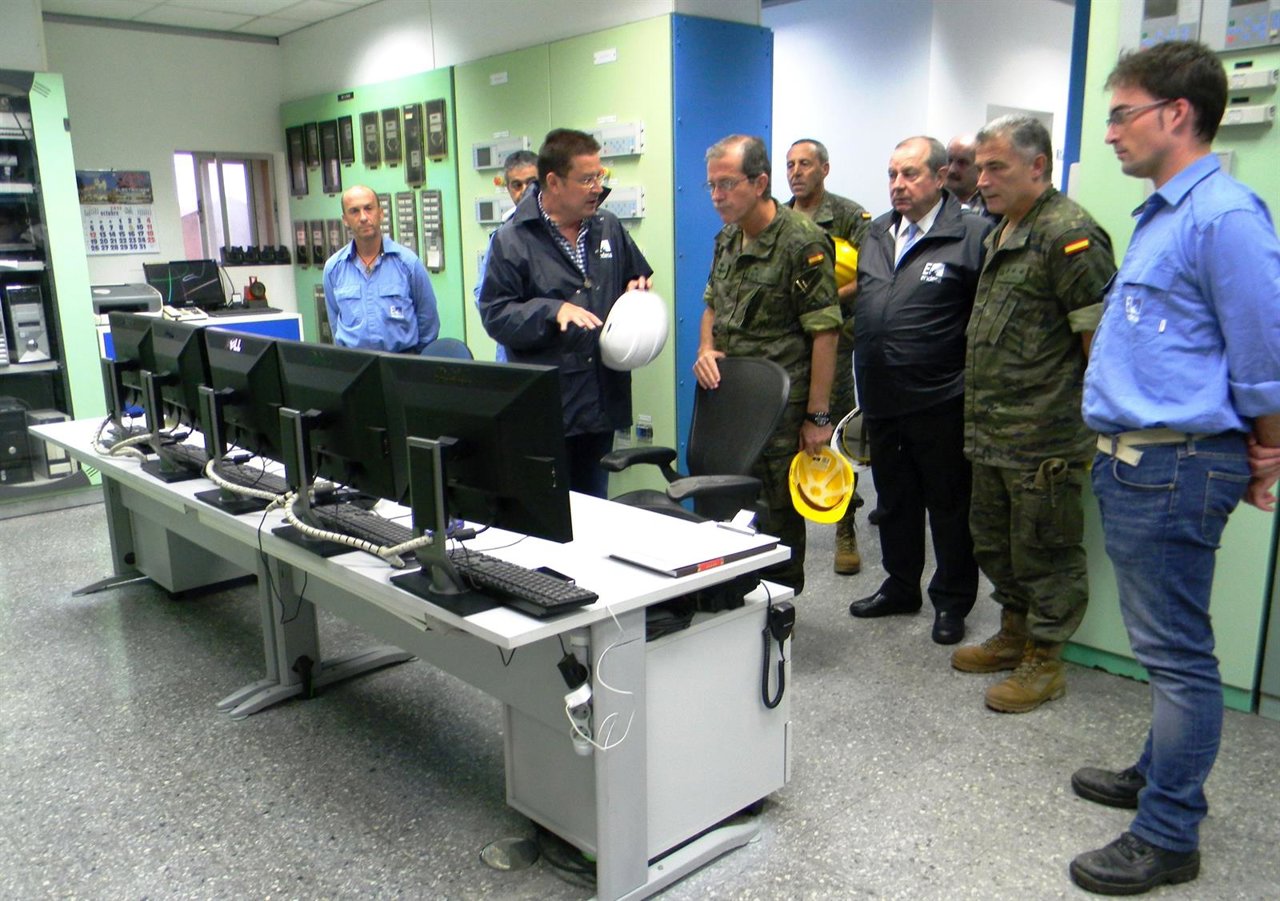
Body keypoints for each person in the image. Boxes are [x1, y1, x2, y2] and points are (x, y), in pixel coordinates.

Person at [1068, 40, 1280, 896]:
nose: (1111, 131)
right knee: (1170, 646)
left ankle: (1168, 833)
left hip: (1178, 465)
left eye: (1122, 113)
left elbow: (1264, 354)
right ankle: (1160, 774)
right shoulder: (1163, 212)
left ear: (1176, 114)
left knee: (1181, 656)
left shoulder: (1224, 215)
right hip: (1136, 463)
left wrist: (1268, 445)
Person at [950, 115, 1116, 712]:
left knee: (1046, 550)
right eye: (982, 166)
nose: (983, 179)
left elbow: (1099, 341)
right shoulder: (1005, 229)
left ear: (1037, 167)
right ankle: (1014, 633)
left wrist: (1091, 428)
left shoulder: (1069, 234)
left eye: (997, 167)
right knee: (994, 543)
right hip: (993, 428)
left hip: (1044, 434)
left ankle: (1045, 661)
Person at [849, 136, 993, 644]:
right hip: (882, 397)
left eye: (910, 174)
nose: (898, 184)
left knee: (949, 506)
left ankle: (952, 601)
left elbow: (984, 319)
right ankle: (900, 584)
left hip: (941, 397)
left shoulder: (972, 235)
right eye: (892, 174)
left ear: (938, 177)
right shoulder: (877, 233)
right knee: (893, 500)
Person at [695, 134, 840, 596]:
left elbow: (825, 332)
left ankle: (780, 613)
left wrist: (818, 417)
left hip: (781, 404)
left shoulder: (803, 242)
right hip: (729, 394)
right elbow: (711, 305)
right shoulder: (727, 239)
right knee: (726, 500)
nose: (717, 196)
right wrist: (704, 350)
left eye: (726, 185)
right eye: (711, 186)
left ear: (759, 183)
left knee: (775, 513)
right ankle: (731, 604)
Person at [478, 128, 652, 498]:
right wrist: (551, 310)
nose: (596, 188)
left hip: (601, 399)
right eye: (586, 179)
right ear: (554, 182)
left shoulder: (608, 226)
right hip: (548, 406)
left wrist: (636, 287)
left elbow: (634, 274)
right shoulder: (512, 239)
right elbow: (495, 314)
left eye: (600, 177)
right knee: (551, 516)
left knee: (595, 510)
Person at [785, 137, 873, 575]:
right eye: (790, 165)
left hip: (833, 339)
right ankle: (785, 532)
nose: (796, 172)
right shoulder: (779, 219)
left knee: (832, 431)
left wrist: (825, 300)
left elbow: (870, 273)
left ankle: (845, 525)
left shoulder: (848, 216)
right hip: (787, 344)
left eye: (805, 164)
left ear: (825, 168)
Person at [323, 184, 439, 354]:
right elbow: (335, 322)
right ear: (345, 219)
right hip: (355, 366)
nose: (363, 217)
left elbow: (428, 321)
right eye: (354, 211)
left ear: (381, 213)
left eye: (368, 208)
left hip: (402, 364)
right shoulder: (333, 268)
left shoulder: (408, 264)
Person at [475, 149, 539, 362]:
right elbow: (482, 294)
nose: (524, 191)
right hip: (513, 350)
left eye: (531, 182)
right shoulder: (502, 237)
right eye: (516, 185)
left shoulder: (558, 230)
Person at [946, 133, 992, 217]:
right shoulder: (932, 202)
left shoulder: (993, 203)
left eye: (962, 163)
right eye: (949, 161)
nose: (951, 170)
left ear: (978, 167)